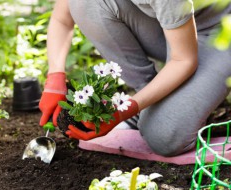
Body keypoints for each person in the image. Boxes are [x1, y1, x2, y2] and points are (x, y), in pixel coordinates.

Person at [38, 0, 231, 157]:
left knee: (164, 137)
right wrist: (55, 78)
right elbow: (62, 19)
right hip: (174, 28)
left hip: (220, 32)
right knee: (85, 3)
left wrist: (123, 111)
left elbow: (183, 60)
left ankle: (165, 108)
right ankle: (150, 101)